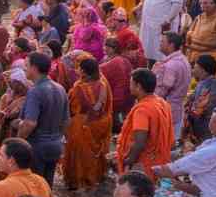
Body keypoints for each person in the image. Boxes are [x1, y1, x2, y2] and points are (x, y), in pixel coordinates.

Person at [16, 52, 69, 186]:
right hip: (55, 145)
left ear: (34, 68)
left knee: (33, 186)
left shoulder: (36, 91)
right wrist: (56, 137)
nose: (24, 69)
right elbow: (66, 121)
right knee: (46, 186)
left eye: (26, 66)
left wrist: (18, 141)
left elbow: (30, 123)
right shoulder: (60, 88)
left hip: (37, 146)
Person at [62, 57, 113, 188]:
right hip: (101, 124)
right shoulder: (103, 83)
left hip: (82, 125)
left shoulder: (78, 89)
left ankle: (78, 182)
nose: (77, 70)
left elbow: (71, 108)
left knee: (79, 155)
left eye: (79, 68)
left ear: (84, 72)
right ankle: (96, 179)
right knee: (96, 153)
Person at [116, 69, 172, 178]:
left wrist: (129, 160)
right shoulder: (162, 103)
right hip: (159, 158)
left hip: (144, 163)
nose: (129, 87)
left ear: (139, 86)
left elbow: (140, 142)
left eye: (131, 83)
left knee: (137, 192)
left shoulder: (142, 110)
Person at [152, 31, 191, 144]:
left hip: (168, 109)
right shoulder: (183, 59)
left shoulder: (170, 66)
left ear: (171, 45)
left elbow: (161, 91)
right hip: (177, 107)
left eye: (162, 42)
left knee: (165, 144)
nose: (160, 44)